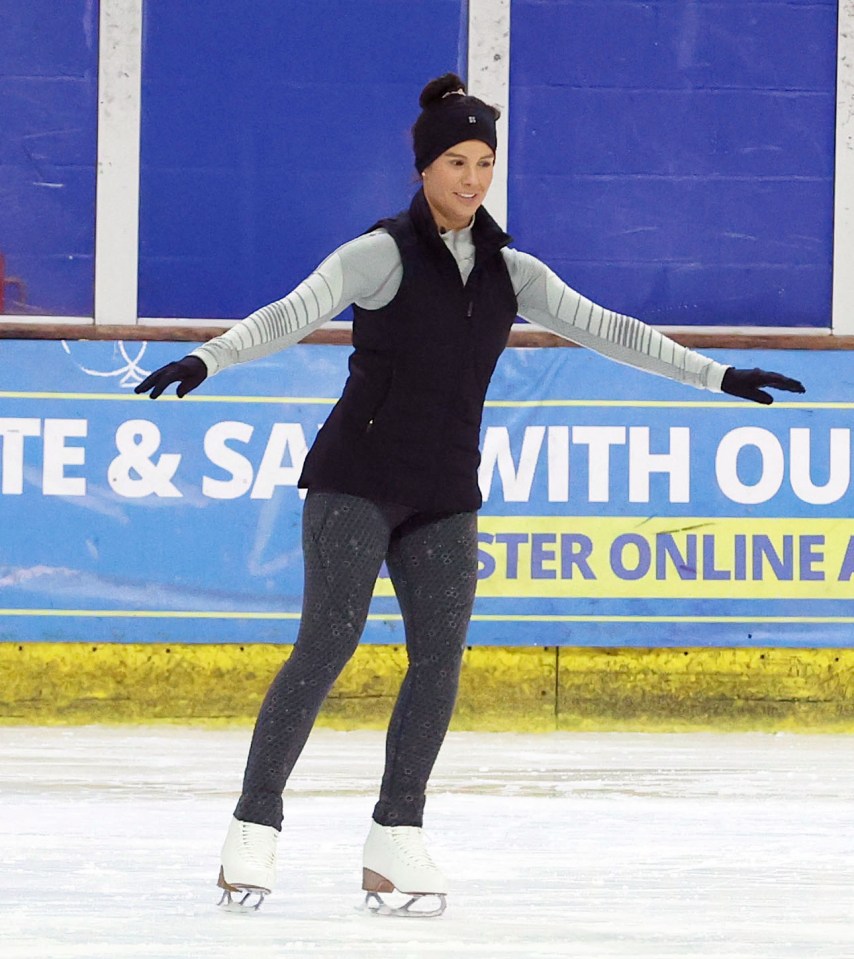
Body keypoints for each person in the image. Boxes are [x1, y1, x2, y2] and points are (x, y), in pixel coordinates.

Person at [135, 72, 805, 916]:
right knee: (328, 644)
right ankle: (253, 826)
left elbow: (609, 329)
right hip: (355, 480)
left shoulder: (511, 272)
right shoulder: (379, 253)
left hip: (446, 490)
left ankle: (396, 835)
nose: (473, 178)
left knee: (440, 661)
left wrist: (720, 375)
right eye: (457, 160)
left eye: (485, 161)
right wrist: (208, 358)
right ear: (424, 167)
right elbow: (290, 311)